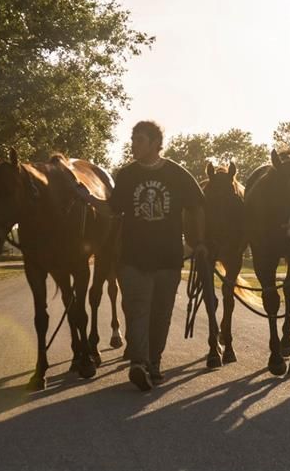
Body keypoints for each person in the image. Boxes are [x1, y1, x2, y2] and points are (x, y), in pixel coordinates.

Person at [78, 120, 206, 391]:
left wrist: (197, 242)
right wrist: (87, 197)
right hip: (133, 258)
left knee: (160, 314)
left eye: (138, 140)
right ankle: (138, 363)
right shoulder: (126, 175)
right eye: (133, 139)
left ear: (154, 144)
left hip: (168, 259)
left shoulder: (177, 174)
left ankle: (154, 363)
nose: (133, 144)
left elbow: (197, 207)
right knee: (137, 309)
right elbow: (112, 209)